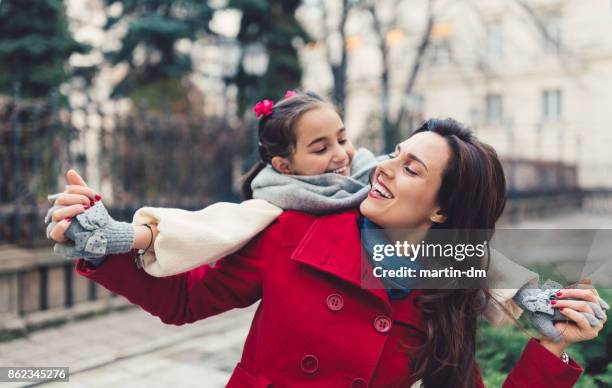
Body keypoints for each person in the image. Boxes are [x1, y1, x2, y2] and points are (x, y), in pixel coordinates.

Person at [46, 118, 606, 387]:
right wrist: (96, 243)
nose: (381, 166)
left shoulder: (450, 281)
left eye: (411, 168)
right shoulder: (293, 230)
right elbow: (184, 302)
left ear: (442, 211)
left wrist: (550, 351)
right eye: (394, 152)